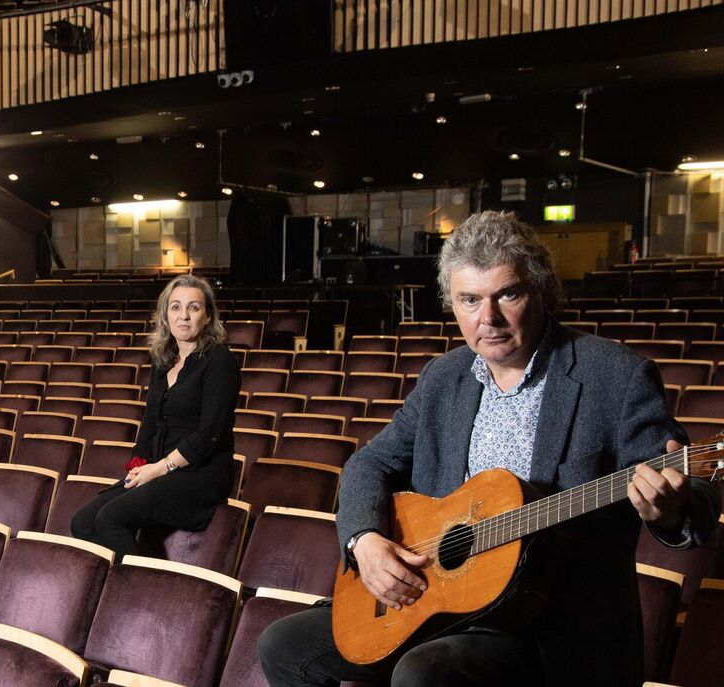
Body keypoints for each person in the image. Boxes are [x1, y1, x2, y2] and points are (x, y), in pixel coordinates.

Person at [259, 211, 721, 687]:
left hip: (550, 623)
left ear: (540, 289)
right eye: (470, 300)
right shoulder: (444, 377)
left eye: (508, 294)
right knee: (284, 645)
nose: (489, 319)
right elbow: (370, 462)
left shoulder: (616, 376)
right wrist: (365, 540)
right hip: (438, 598)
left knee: (425, 673)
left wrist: (669, 509)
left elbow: (698, 493)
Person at [71, 274, 240, 558]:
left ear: (208, 316)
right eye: (175, 307)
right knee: (82, 523)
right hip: (161, 469)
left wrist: (159, 468)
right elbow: (150, 423)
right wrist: (137, 468)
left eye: (193, 308)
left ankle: (142, 590)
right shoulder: (164, 360)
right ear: (165, 315)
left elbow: (209, 434)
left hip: (201, 476)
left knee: (110, 519)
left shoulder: (220, 361)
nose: (183, 316)